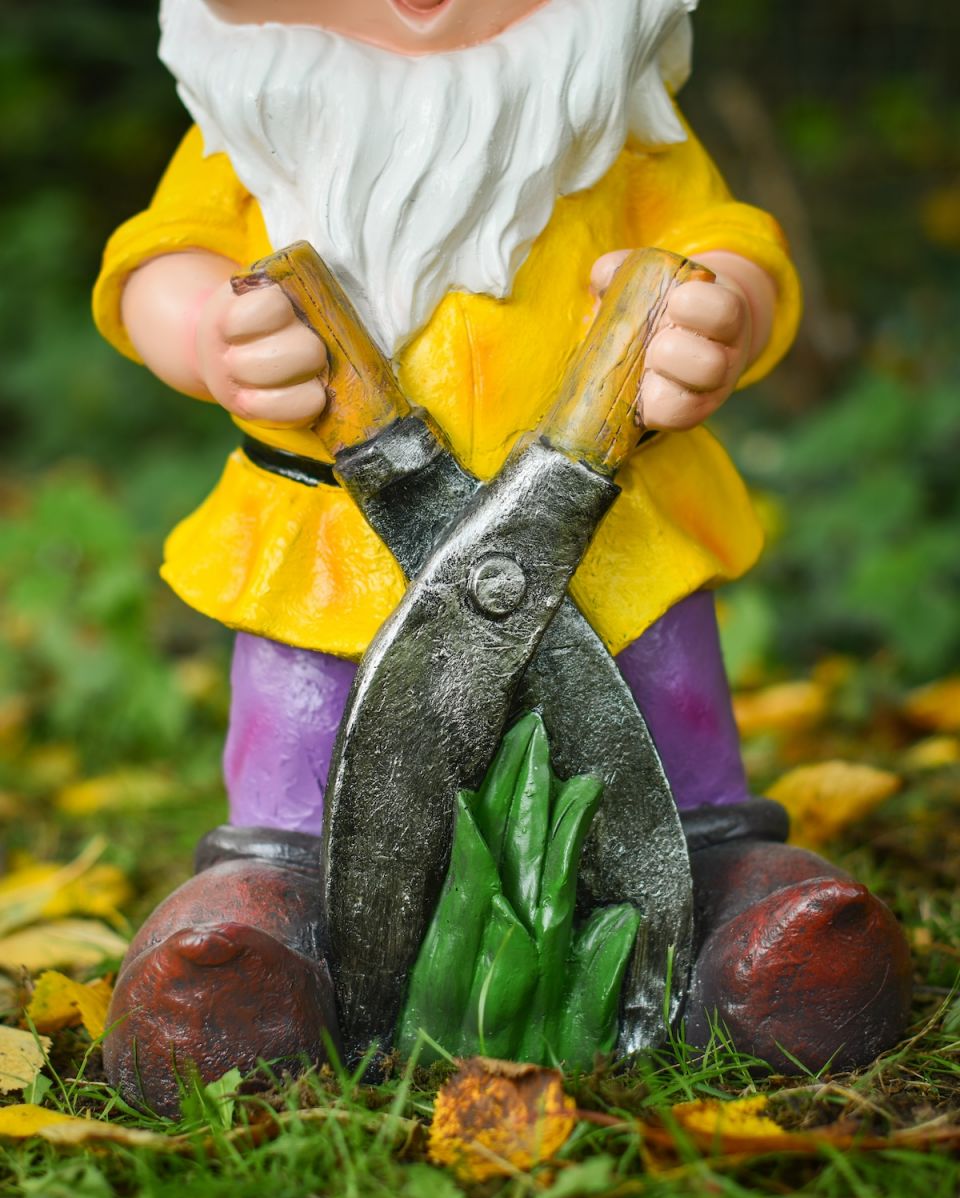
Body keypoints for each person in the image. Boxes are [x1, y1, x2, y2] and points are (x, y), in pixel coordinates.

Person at [94, 0, 911, 1115]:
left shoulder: (615, 125)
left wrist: (721, 311)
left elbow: (732, 243)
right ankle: (260, 934)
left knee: (675, 748)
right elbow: (158, 258)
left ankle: (741, 911)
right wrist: (205, 333)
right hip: (331, 550)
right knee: (298, 774)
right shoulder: (251, 132)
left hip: (617, 554)